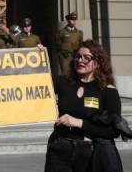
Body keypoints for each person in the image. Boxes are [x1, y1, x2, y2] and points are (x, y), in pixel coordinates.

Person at [45, 39, 125, 172]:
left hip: (90, 153)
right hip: (59, 149)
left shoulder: (107, 90)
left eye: (86, 58)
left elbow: (113, 131)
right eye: (77, 56)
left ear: (98, 62)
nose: (80, 60)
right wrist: (37, 56)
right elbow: (36, 84)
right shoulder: (63, 82)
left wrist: (80, 123)